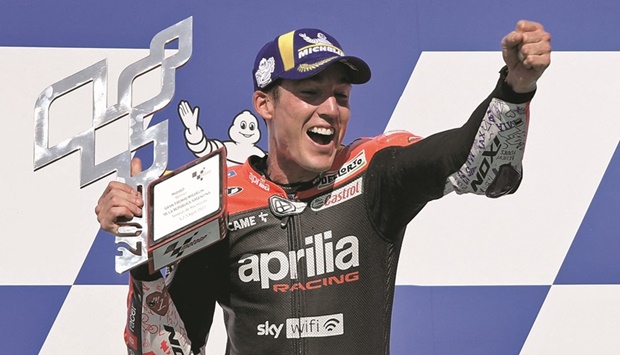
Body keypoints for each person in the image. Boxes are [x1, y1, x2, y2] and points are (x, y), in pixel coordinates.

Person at [96, 20, 551, 355]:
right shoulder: (213, 196)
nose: (331, 109)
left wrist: (515, 88)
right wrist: (145, 260)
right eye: (312, 93)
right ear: (264, 105)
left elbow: (487, 172)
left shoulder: (375, 171)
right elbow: (163, 351)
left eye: (342, 97)